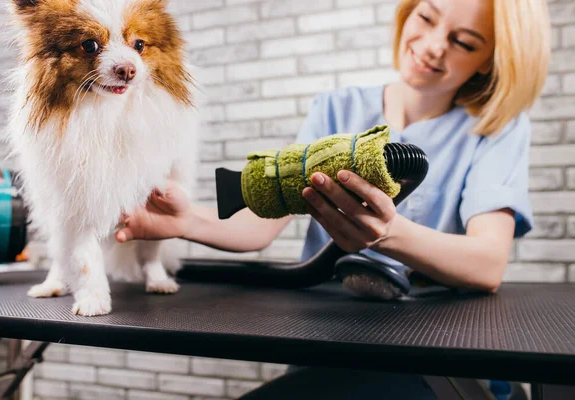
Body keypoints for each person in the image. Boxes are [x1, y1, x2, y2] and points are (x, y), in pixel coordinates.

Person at [115, 0, 550, 398]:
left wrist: (390, 234)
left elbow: (488, 263)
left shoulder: (497, 128)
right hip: (330, 350)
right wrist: (185, 221)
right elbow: (261, 223)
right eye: (426, 17)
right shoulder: (337, 109)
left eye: (463, 42)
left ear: (488, 61)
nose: (433, 46)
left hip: (441, 369)